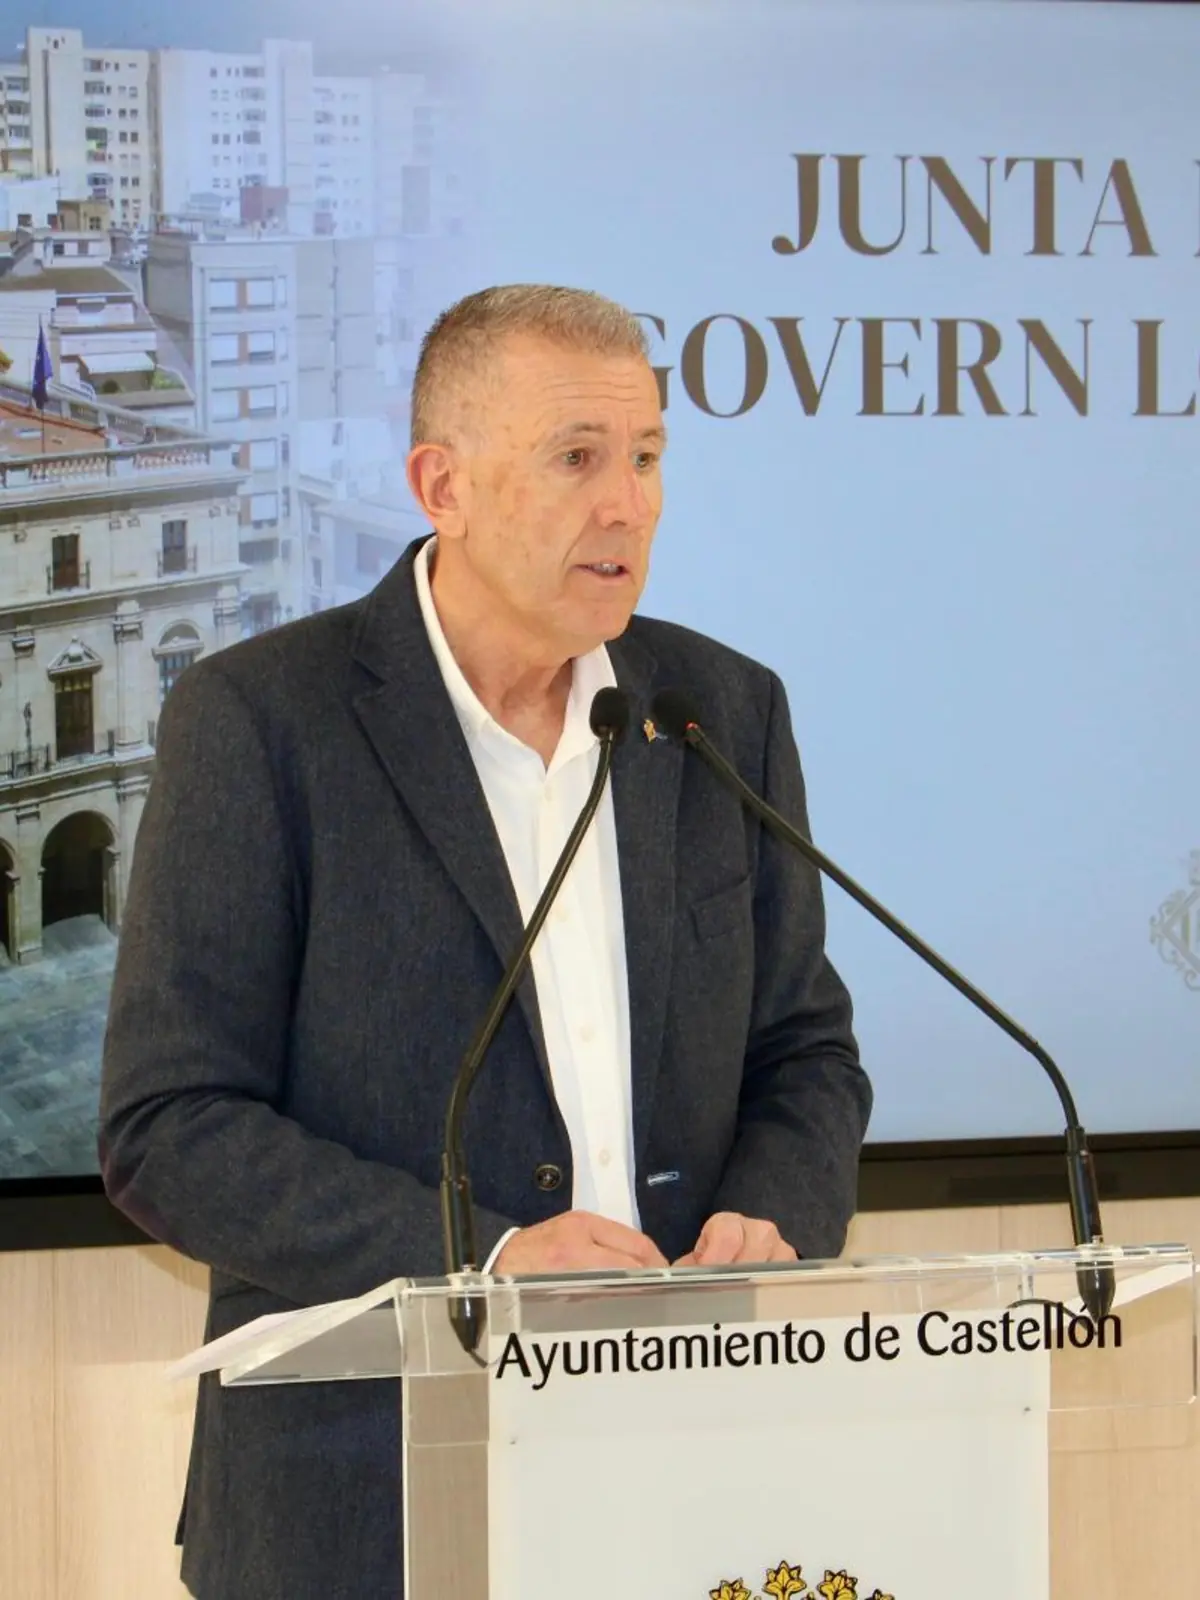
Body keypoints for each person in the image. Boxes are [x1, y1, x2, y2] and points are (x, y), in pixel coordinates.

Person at [98, 284, 871, 1599]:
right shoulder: (264, 721)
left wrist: (771, 1212)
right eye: (577, 458)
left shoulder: (719, 713)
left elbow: (807, 1053)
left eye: (647, 457)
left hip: (688, 1471)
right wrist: (487, 1254)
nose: (627, 504)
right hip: (368, 1499)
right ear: (440, 483)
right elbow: (170, 1125)